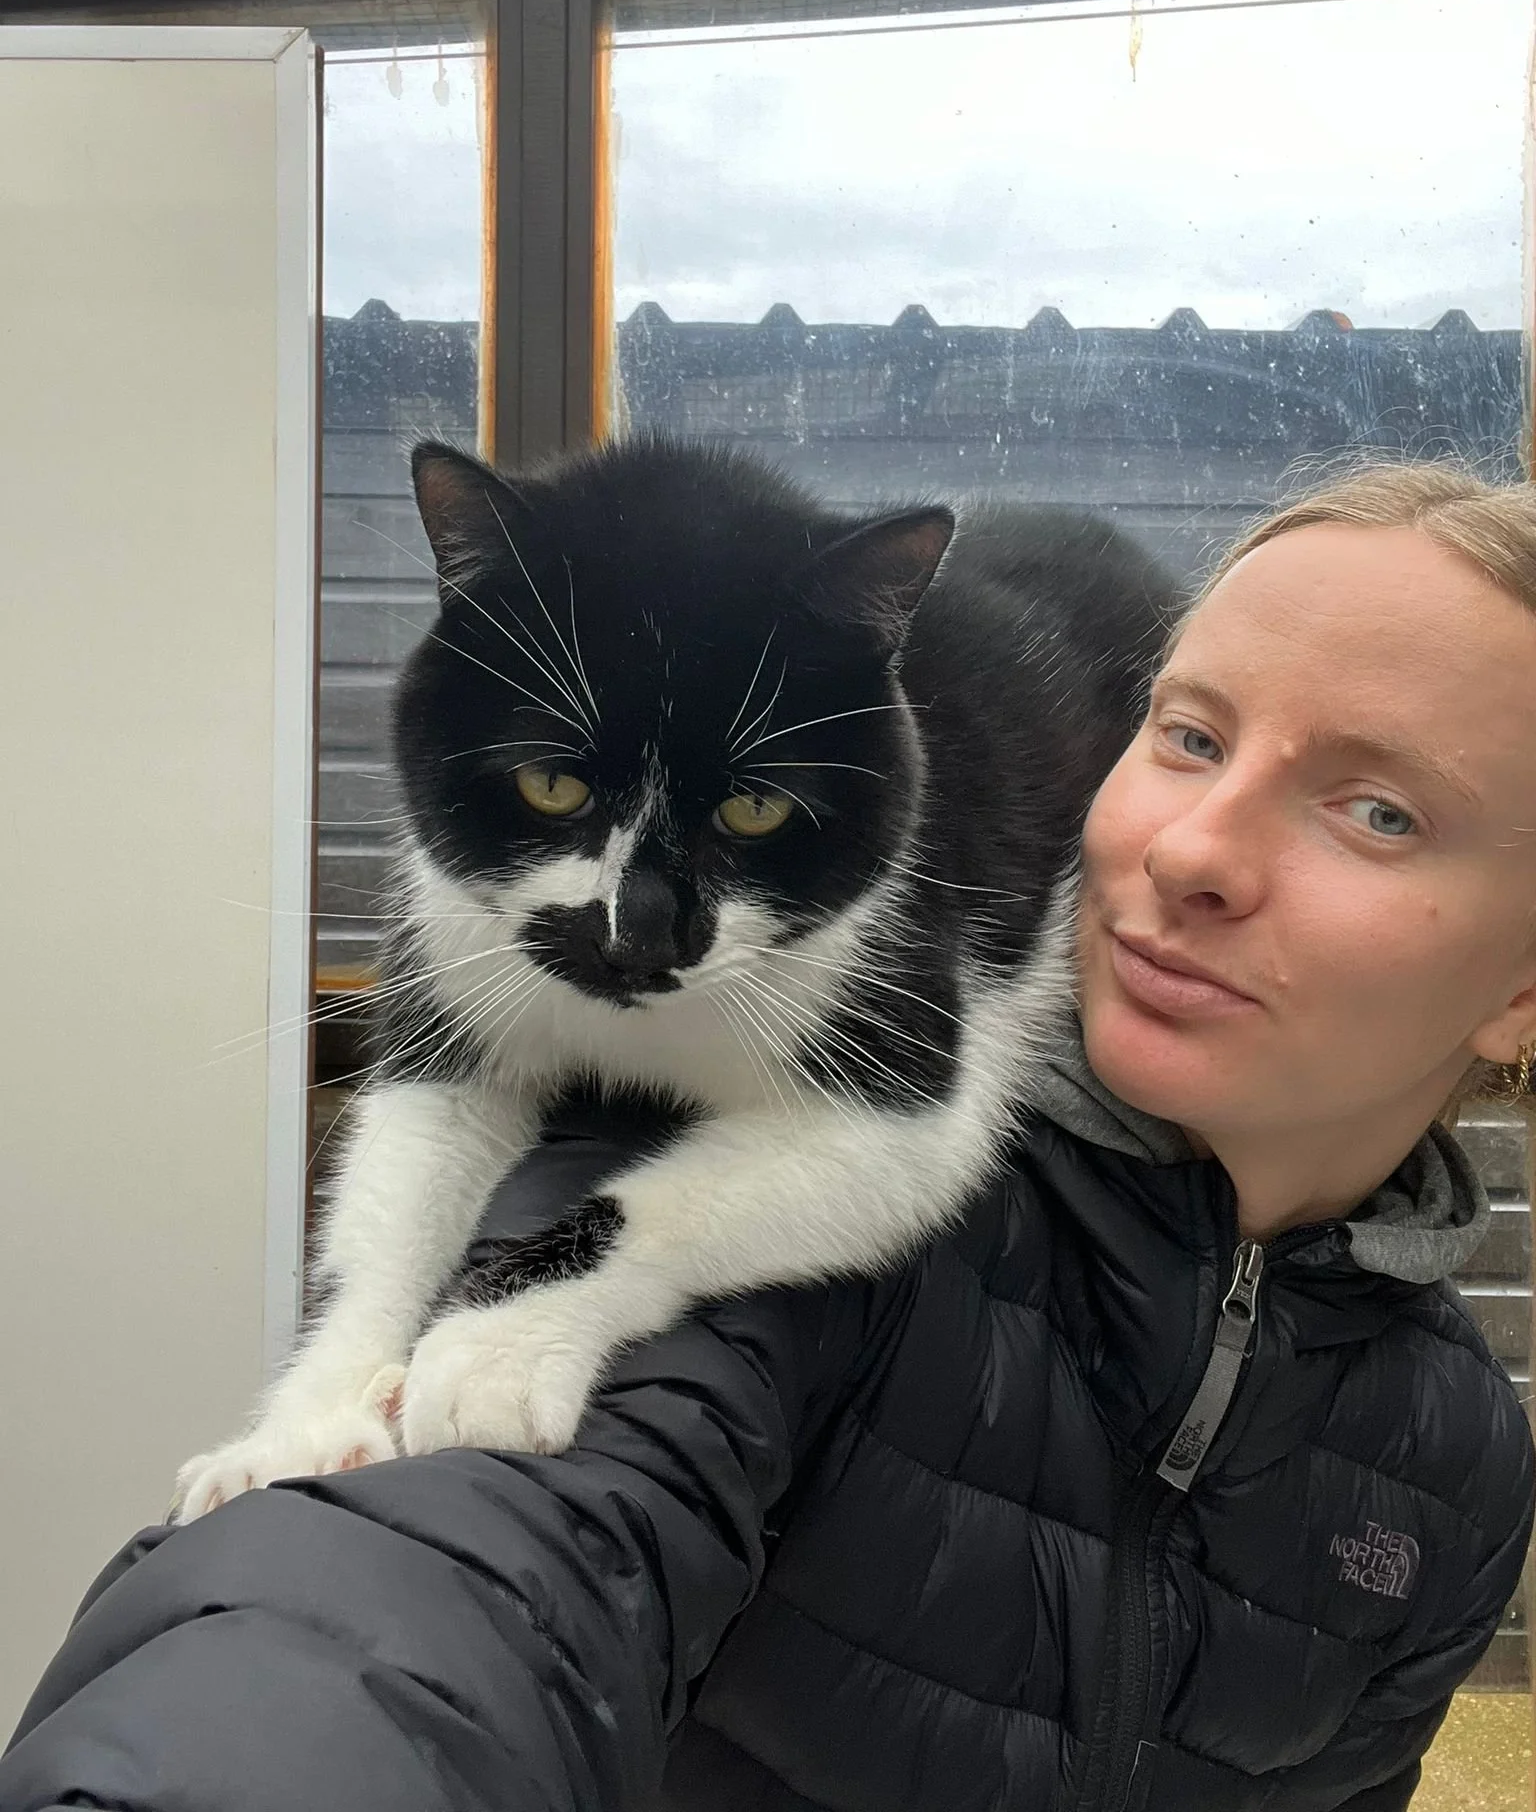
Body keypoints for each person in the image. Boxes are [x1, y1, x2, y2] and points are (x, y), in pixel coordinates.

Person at [3, 461, 1534, 1812]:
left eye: (1379, 810)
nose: (1192, 850)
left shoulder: (1457, 1469)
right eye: (1189, 737)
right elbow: (437, 1593)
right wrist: (390, 1377)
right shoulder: (798, 1260)